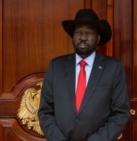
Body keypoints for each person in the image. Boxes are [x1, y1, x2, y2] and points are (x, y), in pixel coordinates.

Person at [38, 9, 130, 141]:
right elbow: (45, 111)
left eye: (89, 33)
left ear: (98, 38)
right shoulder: (56, 67)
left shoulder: (113, 68)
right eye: (79, 33)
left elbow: (121, 113)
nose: (83, 37)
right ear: (73, 36)